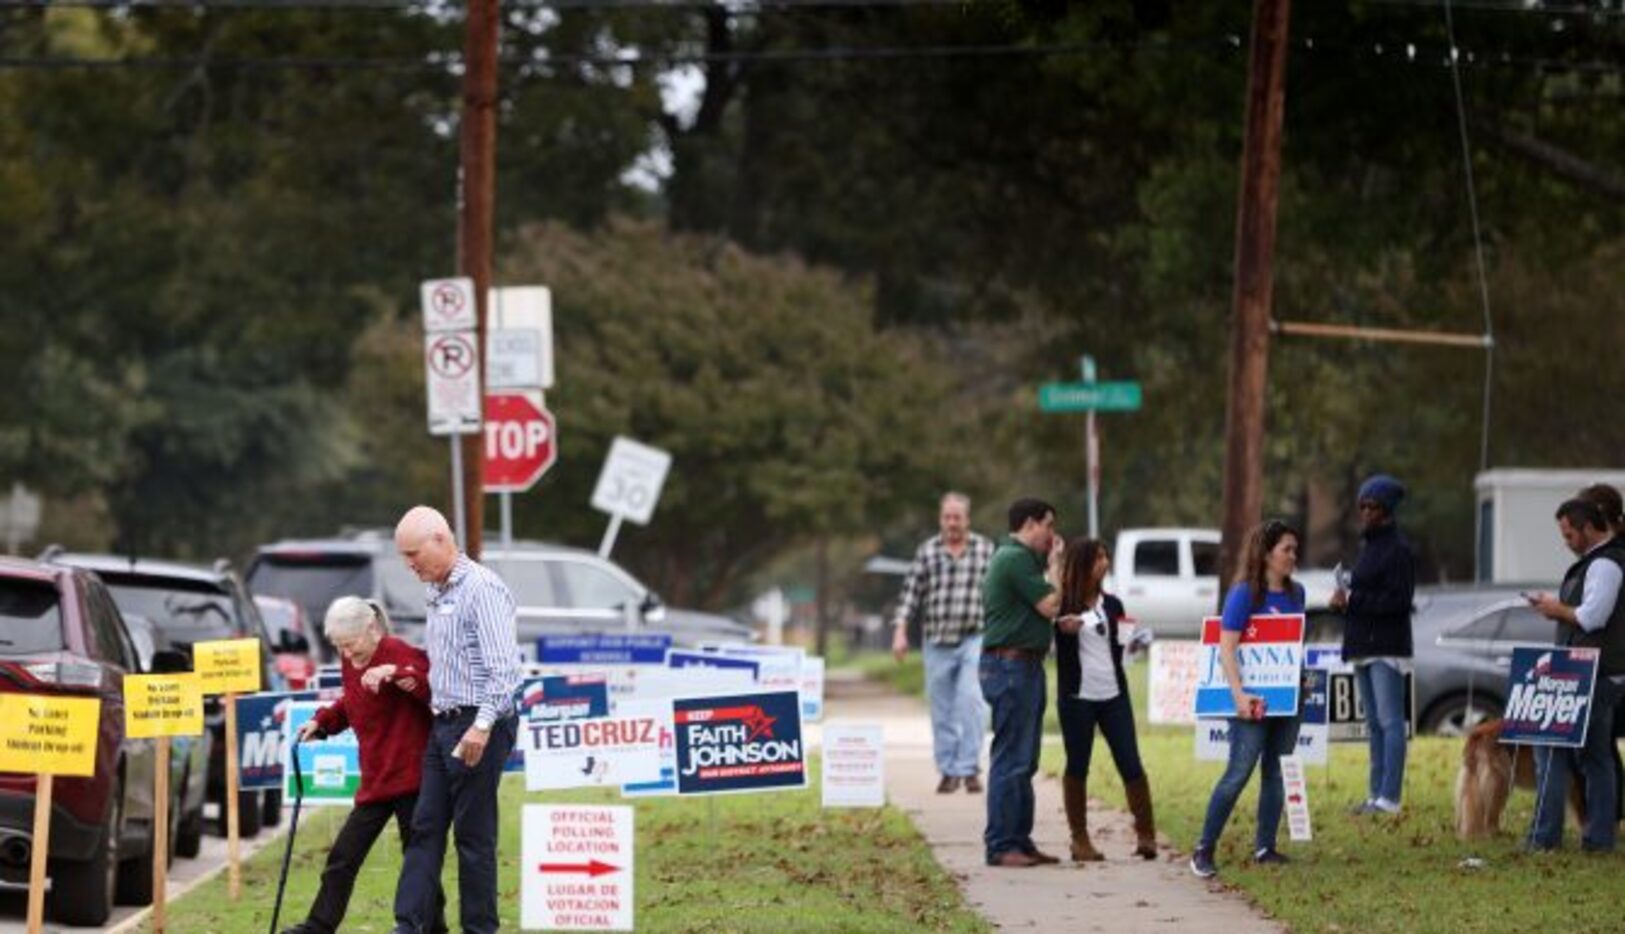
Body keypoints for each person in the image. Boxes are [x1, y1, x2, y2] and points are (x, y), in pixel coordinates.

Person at [389, 506, 523, 934]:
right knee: (423, 827)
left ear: (441, 541)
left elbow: (504, 670)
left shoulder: (481, 588)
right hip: (442, 722)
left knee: (472, 837)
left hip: (479, 722)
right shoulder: (438, 590)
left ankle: (480, 929)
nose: (409, 564)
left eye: (414, 553)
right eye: (404, 556)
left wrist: (481, 727)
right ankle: (409, 925)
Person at [282, 597, 445, 934]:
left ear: (371, 629)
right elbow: (353, 702)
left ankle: (434, 927)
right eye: (338, 646)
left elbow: (431, 688)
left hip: (413, 778)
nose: (345, 653)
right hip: (376, 779)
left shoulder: (397, 651)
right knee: (342, 857)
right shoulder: (351, 660)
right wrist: (322, 722)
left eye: (350, 643)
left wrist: (395, 673)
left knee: (418, 860)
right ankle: (318, 926)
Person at [1190, 520, 1306, 879]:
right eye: (1286, 549)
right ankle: (1203, 849)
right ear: (1267, 552)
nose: (1293, 556)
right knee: (1238, 772)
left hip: (1288, 699)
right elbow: (1227, 648)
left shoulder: (1296, 593)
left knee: (1276, 772)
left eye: (1294, 549)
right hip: (1250, 702)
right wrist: (1239, 695)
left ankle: (1265, 847)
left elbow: (1292, 644)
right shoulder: (1243, 595)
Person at [1524, 497, 1625, 852]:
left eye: (1569, 534)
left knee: (1550, 748)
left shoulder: (1605, 565)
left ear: (1587, 527)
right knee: (1595, 756)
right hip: (1597, 671)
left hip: (1594, 673)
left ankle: (1544, 837)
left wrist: (1556, 609)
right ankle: (1598, 838)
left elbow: (1592, 617)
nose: (1566, 542)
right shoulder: (1599, 563)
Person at [1054, 537, 1156, 862]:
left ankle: (1146, 835)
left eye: (1105, 556)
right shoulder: (1063, 605)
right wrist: (1063, 628)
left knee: (1130, 762)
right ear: (1082, 563)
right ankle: (1080, 839)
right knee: (1077, 765)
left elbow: (1122, 646)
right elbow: (1055, 635)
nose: (1104, 562)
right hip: (1078, 696)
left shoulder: (1113, 605)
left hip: (1114, 694)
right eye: (1097, 557)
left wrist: (1137, 642)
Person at [979, 497, 1064, 868]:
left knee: (1025, 759)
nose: (1052, 534)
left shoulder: (1020, 559)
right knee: (1011, 758)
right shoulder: (1013, 558)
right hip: (1009, 668)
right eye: (1048, 525)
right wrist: (1057, 565)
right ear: (1030, 524)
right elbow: (1051, 605)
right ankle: (1000, 844)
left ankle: (1020, 840)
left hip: (1022, 666)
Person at [892, 492, 996, 793]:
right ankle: (949, 770)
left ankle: (969, 768)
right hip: (936, 641)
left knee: (973, 701)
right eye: (947, 517)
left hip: (974, 638)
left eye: (957, 517)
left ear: (967, 519)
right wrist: (900, 631)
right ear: (941, 519)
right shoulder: (928, 551)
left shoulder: (985, 549)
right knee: (942, 708)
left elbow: (997, 593)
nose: (951, 523)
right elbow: (910, 594)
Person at [1330, 474, 1416, 816]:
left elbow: (1398, 601)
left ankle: (1390, 798)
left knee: (1391, 721)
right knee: (1374, 723)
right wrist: (1343, 601)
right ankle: (1375, 793)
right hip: (1362, 644)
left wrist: (1354, 600)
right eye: (1362, 505)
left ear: (1387, 510)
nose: (1365, 512)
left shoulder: (1399, 549)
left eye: (1373, 506)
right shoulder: (1368, 546)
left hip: (1387, 646)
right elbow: (1364, 596)